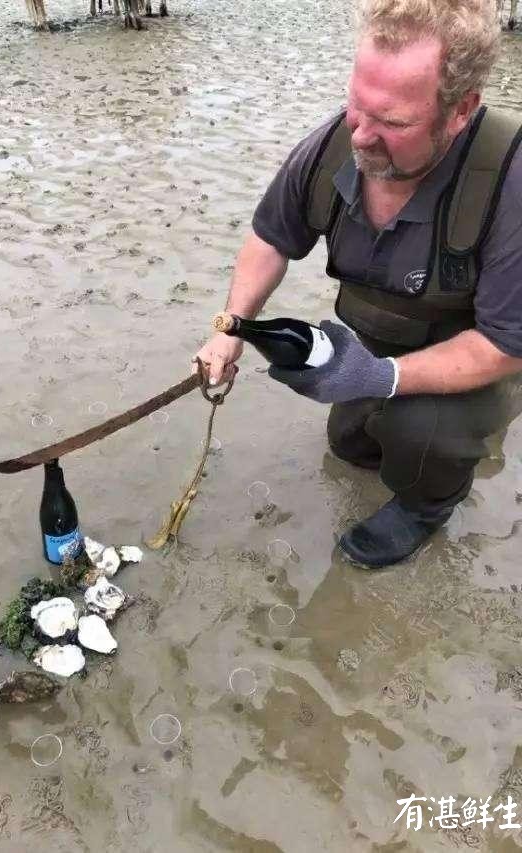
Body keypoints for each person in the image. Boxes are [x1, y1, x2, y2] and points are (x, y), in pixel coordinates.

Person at [194, 0, 522, 569]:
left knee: (424, 439)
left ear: (460, 111)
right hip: (375, 338)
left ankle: (428, 504)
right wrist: (230, 330)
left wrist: (382, 376)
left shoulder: (510, 180)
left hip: (477, 354)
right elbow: (271, 238)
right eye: (356, 105)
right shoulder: (333, 144)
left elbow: (506, 343)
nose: (362, 136)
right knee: (349, 445)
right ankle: (402, 423)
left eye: (393, 122)